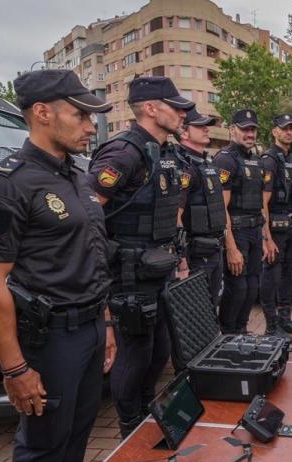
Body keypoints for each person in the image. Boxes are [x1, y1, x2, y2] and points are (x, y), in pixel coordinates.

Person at [0, 69, 115, 462]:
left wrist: (106, 324)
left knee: (76, 434)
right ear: (43, 112)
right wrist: (13, 369)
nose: (91, 126)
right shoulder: (8, 184)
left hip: (90, 328)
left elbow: (92, 256)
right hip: (50, 338)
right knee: (43, 442)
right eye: (82, 115)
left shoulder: (77, 174)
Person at [88, 76, 193, 437]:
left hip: (159, 270)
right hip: (129, 275)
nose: (183, 113)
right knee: (135, 353)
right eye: (175, 107)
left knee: (160, 349)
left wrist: (177, 255)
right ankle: (129, 424)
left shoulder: (166, 152)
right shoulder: (123, 153)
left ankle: (149, 412)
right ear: (150, 109)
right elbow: (88, 218)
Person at [214, 109, 269, 334]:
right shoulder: (225, 159)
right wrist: (231, 248)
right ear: (232, 130)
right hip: (236, 233)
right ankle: (228, 335)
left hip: (255, 232)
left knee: (252, 287)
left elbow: (260, 204)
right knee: (237, 288)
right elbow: (221, 207)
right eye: (245, 129)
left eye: (253, 129)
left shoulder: (254, 160)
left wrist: (264, 237)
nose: (249, 134)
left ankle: (241, 331)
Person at [259, 113, 292, 339]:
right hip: (275, 229)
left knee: (289, 273)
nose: (288, 132)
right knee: (272, 273)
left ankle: (285, 318)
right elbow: (263, 202)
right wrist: (266, 237)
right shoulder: (269, 160)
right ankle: (271, 326)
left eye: (291, 128)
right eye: (284, 128)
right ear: (274, 132)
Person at [175, 108, 226, 308]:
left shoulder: (207, 162)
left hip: (213, 248)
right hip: (195, 254)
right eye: (200, 126)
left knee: (212, 306)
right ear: (184, 132)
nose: (206, 129)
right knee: (196, 311)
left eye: (207, 126)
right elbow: (175, 215)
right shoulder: (184, 166)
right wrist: (181, 259)